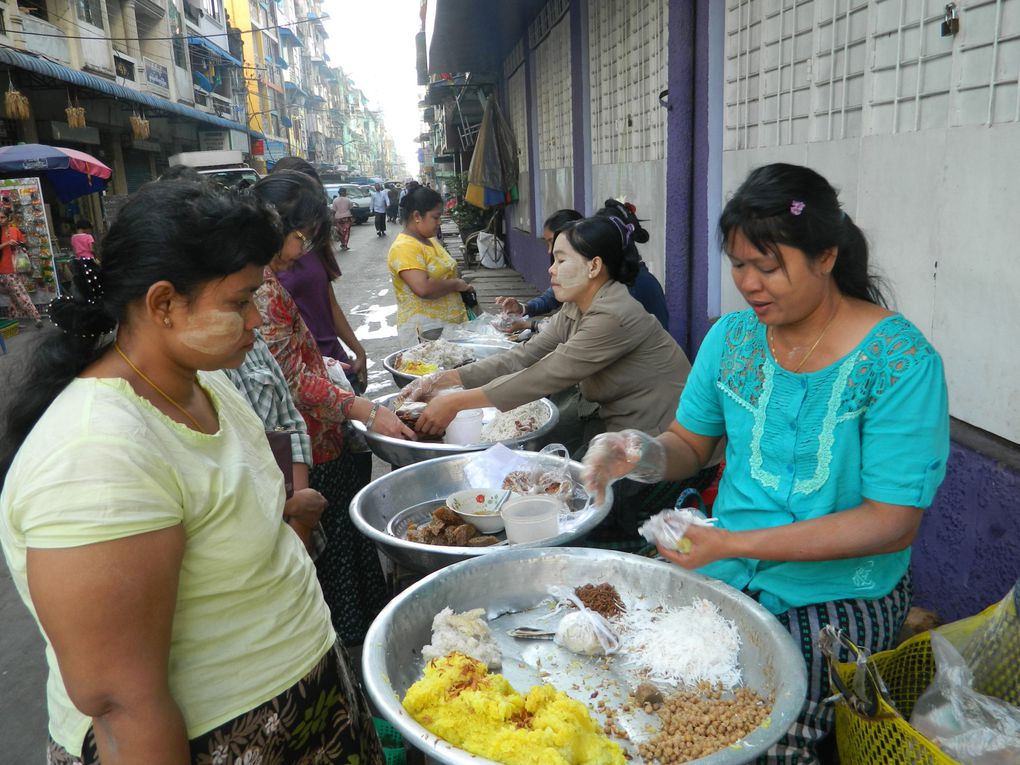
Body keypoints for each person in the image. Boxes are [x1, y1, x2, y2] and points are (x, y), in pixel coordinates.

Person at [0, 180, 385, 764]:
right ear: (162, 305)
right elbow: (122, 703)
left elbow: (208, 523)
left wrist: (285, 521)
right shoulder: (95, 458)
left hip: (304, 708)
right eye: (238, 302)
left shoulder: (204, 384)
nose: (257, 319)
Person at [582, 163, 951, 764]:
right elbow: (689, 445)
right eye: (739, 265)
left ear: (826, 256)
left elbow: (890, 521)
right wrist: (640, 454)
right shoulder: (731, 340)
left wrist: (730, 545)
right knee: (626, 688)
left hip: (836, 592)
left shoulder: (900, 361)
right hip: (722, 562)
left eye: (769, 266)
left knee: (758, 732)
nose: (749, 284)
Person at [251, 171, 414, 646]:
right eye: (302, 235)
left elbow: (296, 354)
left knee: (349, 534)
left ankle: (366, 625)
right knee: (334, 547)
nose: (305, 247)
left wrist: (337, 363)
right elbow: (288, 378)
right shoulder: (260, 289)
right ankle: (349, 642)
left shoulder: (274, 279)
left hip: (324, 427)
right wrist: (360, 406)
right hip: (306, 442)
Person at [410, 206, 691, 445]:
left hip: (661, 440)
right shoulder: (575, 306)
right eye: (552, 258)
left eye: (560, 260)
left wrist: (455, 401)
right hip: (618, 426)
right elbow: (524, 356)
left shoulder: (613, 314)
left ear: (594, 266)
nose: (551, 269)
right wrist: (443, 379)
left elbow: (544, 374)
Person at [270, 158, 369, 394]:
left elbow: (328, 301)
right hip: (300, 375)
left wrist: (358, 349)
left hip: (336, 364)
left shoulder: (312, 242)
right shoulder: (261, 268)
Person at [497, 202, 669, 331]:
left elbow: (576, 338)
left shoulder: (625, 290)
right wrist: (525, 310)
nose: (551, 267)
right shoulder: (607, 281)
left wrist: (530, 324)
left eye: (561, 258)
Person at [388, 186, 475, 345]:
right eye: (435, 217)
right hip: (426, 333)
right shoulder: (404, 247)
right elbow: (423, 288)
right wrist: (456, 284)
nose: (439, 222)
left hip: (448, 329)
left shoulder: (429, 240)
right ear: (417, 216)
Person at [0, 209, 42, 328]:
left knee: (14, 295)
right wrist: (7, 243)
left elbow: (24, 244)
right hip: (4, 269)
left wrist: (20, 246)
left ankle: (11, 322)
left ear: (8, 218)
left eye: (2, 217)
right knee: (20, 293)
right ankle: (36, 317)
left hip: (18, 267)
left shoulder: (15, 230)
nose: (0, 220)